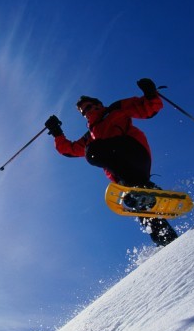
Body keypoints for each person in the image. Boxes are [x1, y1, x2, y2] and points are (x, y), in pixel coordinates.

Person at [44, 78, 178, 246]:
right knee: (134, 202)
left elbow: (146, 108)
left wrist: (150, 94)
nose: (86, 112)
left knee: (93, 151)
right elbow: (69, 150)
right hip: (125, 175)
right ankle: (168, 241)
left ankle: (145, 189)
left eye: (87, 107)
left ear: (98, 104)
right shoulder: (90, 136)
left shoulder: (114, 110)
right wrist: (57, 132)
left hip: (134, 154)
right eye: (82, 111)